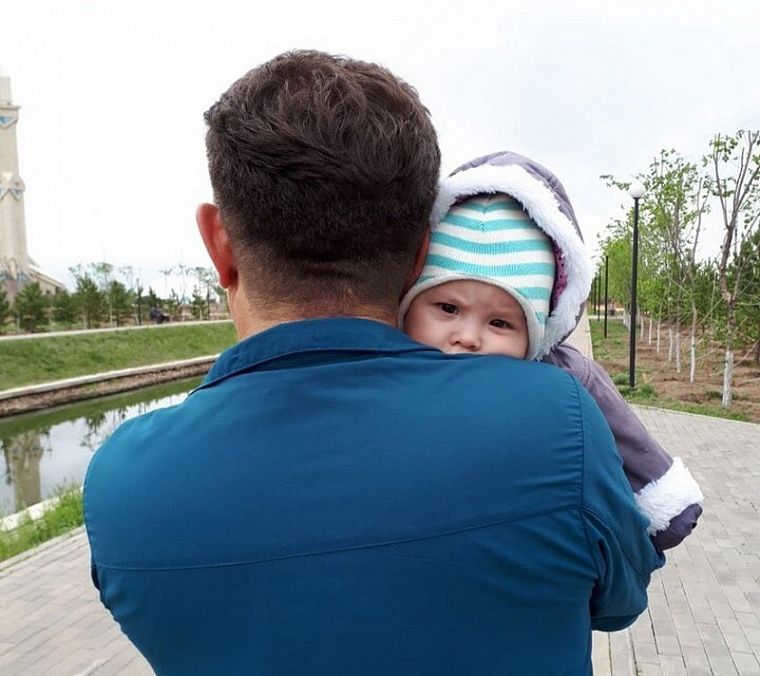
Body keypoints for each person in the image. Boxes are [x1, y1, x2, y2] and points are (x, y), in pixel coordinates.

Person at [84, 51, 664, 676]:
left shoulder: (123, 487)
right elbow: (617, 604)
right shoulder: (559, 420)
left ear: (219, 243)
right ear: (421, 255)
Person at [400, 150, 704, 553]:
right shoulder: (381, 367)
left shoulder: (567, 381)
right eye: (447, 308)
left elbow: (647, 472)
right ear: (407, 302)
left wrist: (658, 519)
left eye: (500, 323)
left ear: (539, 335)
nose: (468, 337)